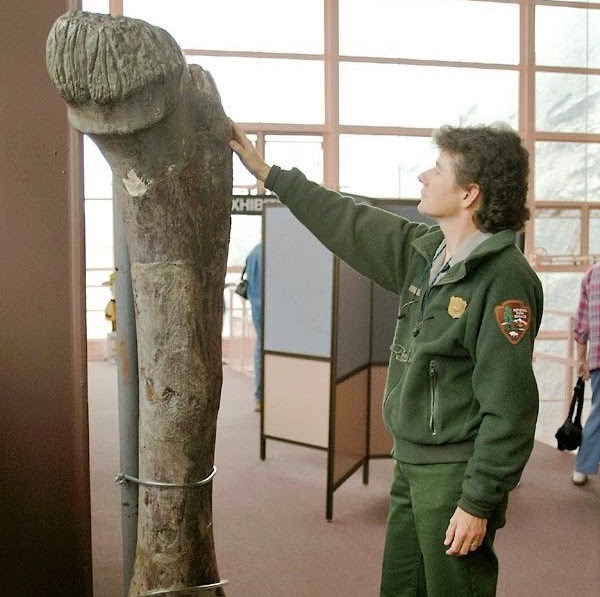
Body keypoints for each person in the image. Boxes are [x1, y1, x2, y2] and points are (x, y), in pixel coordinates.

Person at [230, 121, 543, 597]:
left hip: (454, 477)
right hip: (411, 464)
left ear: (469, 194)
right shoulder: (424, 253)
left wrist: (477, 502)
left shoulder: (504, 281)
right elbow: (346, 220)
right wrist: (270, 175)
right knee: (400, 588)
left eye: (437, 169)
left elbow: (511, 408)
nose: (423, 176)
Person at [572, 264, 600, 486]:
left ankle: (582, 467)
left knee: (598, 412)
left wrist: (582, 359)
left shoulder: (593, 274)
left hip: (598, 359)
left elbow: (581, 324)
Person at [245, 242, 263, 411]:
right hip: (271, 311)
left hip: (256, 309)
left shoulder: (253, 253)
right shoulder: (271, 252)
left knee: (260, 351)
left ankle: (259, 397)